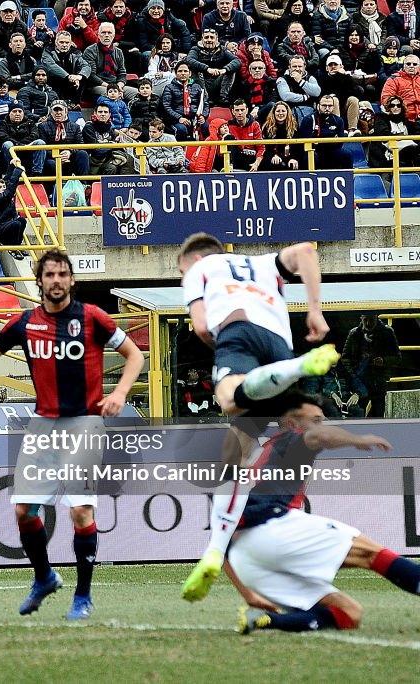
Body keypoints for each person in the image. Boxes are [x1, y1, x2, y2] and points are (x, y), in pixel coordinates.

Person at [0, 249, 144, 619]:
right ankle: (44, 577)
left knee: (81, 512)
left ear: (72, 280)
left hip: (85, 424)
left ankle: (82, 597)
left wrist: (119, 393)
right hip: (42, 426)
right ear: (38, 281)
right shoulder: (24, 323)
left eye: (62, 274)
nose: (56, 280)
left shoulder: (92, 318)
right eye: (50, 274)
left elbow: (135, 355)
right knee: (24, 511)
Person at [176, 232, 342, 603]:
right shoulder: (263, 262)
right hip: (278, 345)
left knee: (227, 397)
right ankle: (214, 552)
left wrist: (225, 354)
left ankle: (296, 369)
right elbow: (305, 250)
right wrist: (315, 310)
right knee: (235, 452)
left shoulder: (198, 269)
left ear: (190, 261)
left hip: (239, 332)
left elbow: (202, 327)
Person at [226, 392, 420, 635]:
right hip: (274, 529)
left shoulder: (262, 453)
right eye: (315, 420)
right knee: (372, 554)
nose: (321, 425)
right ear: (291, 424)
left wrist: (246, 592)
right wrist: (356, 439)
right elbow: (319, 436)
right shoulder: (290, 440)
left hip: (245, 559)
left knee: (348, 613)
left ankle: (265, 621)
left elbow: (222, 535)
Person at [341, 314, 401, 417]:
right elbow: (345, 359)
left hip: (378, 381)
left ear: (376, 318)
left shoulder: (387, 332)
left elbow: (397, 357)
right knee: (358, 414)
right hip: (360, 381)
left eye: (371, 320)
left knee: (378, 414)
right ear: (361, 318)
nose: (368, 323)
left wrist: (383, 361)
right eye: (365, 320)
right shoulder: (354, 334)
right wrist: (353, 376)